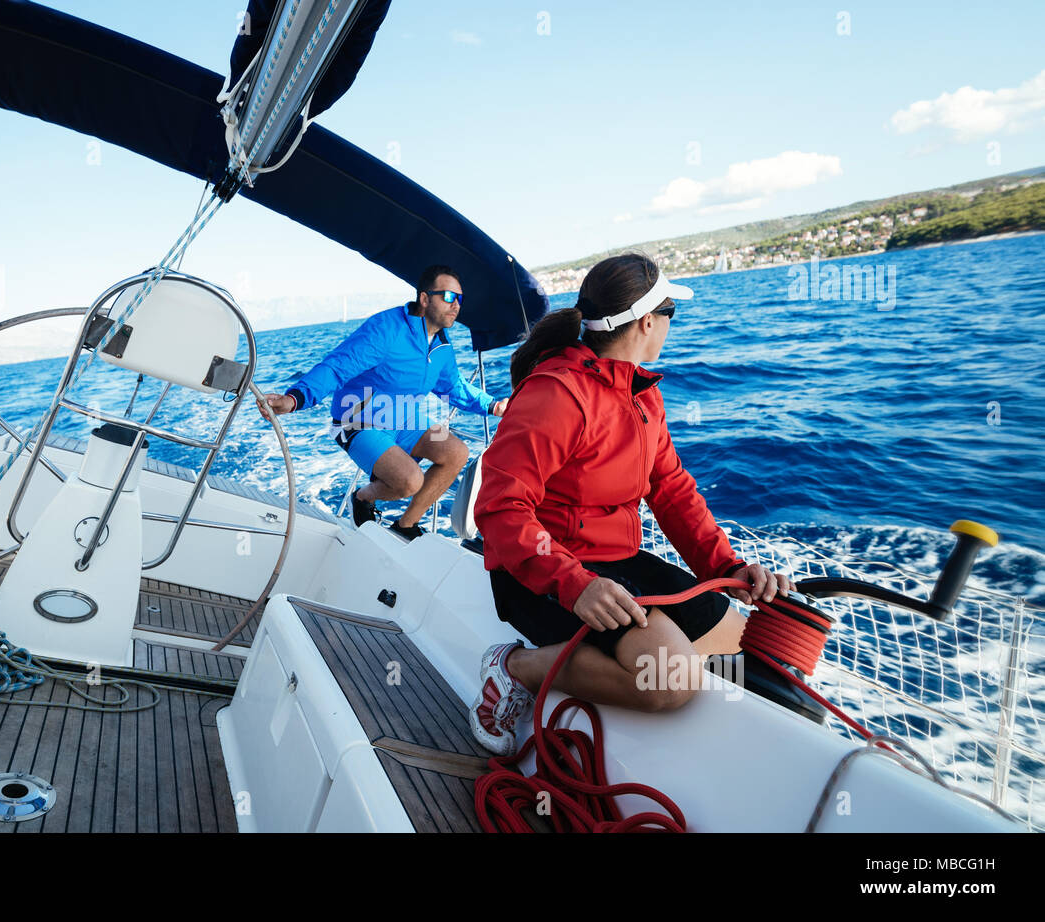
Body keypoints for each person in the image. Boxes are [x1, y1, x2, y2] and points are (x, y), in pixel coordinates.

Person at [468, 253, 796, 755]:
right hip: (542, 575)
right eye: (670, 314)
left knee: (745, 646)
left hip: (617, 565)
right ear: (647, 321)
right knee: (670, 679)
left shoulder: (642, 397)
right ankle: (514, 668)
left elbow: (672, 491)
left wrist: (728, 567)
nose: (669, 326)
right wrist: (572, 584)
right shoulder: (557, 394)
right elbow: (499, 506)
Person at [260, 264, 508, 540]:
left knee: (456, 453)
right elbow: (337, 367)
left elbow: (453, 386)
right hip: (358, 419)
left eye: (460, 299)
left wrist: (493, 406)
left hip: (404, 419)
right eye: (449, 297)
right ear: (425, 299)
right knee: (409, 481)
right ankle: (364, 497)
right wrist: (295, 399)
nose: (456, 305)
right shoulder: (386, 330)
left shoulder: (441, 346)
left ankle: (405, 526)